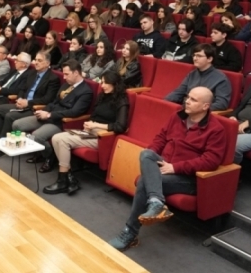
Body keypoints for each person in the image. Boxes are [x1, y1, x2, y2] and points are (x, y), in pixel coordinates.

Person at [107, 87, 227, 251]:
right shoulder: (177, 116)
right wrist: (155, 159)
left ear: (206, 106)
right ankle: (156, 202)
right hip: (165, 165)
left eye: (193, 100)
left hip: (188, 178)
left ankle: (130, 232)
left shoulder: (216, 129)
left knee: (143, 180)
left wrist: (174, 168)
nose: (187, 101)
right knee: (147, 154)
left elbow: (211, 161)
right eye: (187, 97)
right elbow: (160, 138)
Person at [43, 70, 129, 195]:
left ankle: (63, 180)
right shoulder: (102, 96)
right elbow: (94, 116)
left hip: (103, 137)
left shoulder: (122, 101)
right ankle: (69, 177)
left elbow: (120, 126)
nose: (102, 85)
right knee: (56, 137)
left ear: (114, 83)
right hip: (89, 132)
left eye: (105, 83)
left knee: (61, 140)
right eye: (102, 82)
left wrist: (96, 125)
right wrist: (89, 124)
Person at [14, 60, 94, 170]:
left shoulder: (86, 91)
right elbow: (54, 102)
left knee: (37, 136)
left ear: (76, 73)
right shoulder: (66, 85)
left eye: (67, 74)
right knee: (17, 125)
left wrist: (49, 115)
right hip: (48, 114)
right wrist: (43, 111)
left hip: (61, 121)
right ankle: (40, 151)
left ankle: (49, 156)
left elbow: (74, 112)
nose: (64, 77)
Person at [0, 52, 61, 159]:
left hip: (35, 107)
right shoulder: (32, 73)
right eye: (35, 60)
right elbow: (23, 89)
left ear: (47, 63)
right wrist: (20, 98)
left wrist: (28, 103)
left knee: (10, 116)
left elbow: (48, 99)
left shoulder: (52, 78)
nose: (36, 63)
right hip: (23, 103)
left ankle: (1, 148)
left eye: (40, 61)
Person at [165, 44, 232, 111]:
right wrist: (165, 102)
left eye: (199, 56)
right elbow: (178, 92)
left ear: (209, 59)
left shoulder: (221, 79)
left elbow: (222, 104)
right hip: (185, 109)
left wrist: (198, 109)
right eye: (194, 55)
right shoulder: (192, 74)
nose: (195, 58)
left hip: (201, 114)